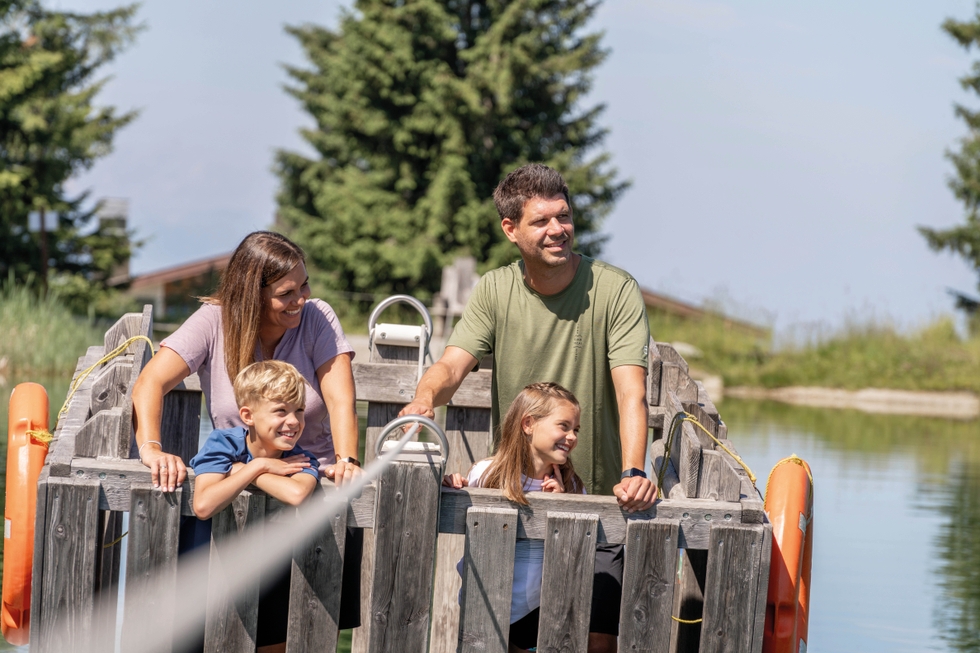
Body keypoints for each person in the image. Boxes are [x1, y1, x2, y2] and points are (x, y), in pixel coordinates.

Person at [400, 163, 656, 653]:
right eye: (541, 221)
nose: (558, 229)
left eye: (563, 216)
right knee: (501, 639)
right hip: (515, 504)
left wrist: (633, 471)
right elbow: (452, 366)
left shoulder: (615, 289)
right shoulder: (496, 289)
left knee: (595, 641)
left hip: (599, 505)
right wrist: (423, 399)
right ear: (511, 229)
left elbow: (631, 394)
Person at [131, 230, 362, 630]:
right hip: (233, 499)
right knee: (215, 628)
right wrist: (151, 448)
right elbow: (150, 382)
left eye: (304, 284)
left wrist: (346, 460)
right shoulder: (212, 321)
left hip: (309, 489)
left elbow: (341, 398)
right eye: (287, 292)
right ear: (253, 293)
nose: (301, 299)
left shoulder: (317, 317)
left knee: (302, 629)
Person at [443, 382, 585, 653]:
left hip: (541, 610)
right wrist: (452, 486)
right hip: (485, 599)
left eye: (575, 429)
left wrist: (564, 504)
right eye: (564, 426)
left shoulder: (574, 487)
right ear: (528, 424)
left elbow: (577, 555)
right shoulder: (487, 473)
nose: (572, 436)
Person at [191, 361, 319, 653]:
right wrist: (259, 465)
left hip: (274, 576)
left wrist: (241, 471)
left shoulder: (301, 459)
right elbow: (203, 504)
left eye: (299, 410)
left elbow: (297, 493)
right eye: (280, 411)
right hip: (207, 572)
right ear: (247, 415)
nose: (294, 421)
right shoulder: (223, 442)